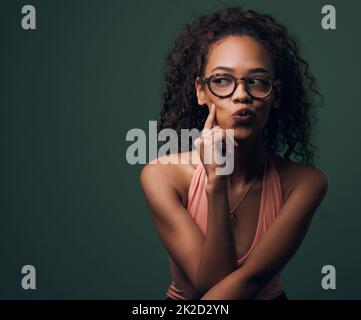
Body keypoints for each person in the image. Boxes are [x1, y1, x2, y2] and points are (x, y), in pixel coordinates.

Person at [140, 6, 328, 300]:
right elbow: (209, 283)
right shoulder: (161, 176)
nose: (242, 95)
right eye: (222, 80)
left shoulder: (305, 182)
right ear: (201, 92)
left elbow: (249, 282)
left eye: (257, 81)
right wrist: (216, 183)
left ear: (275, 94)